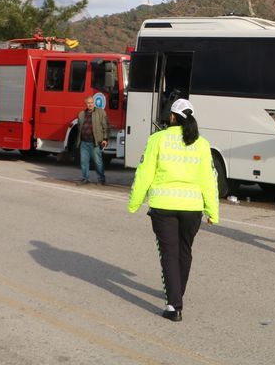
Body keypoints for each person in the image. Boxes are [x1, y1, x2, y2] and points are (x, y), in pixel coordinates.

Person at [128, 98, 219, 322]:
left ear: (172, 117)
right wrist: (212, 211)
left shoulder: (157, 139)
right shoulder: (202, 144)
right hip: (192, 208)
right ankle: (178, 291)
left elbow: (144, 173)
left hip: (164, 207)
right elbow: (210, 180)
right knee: (184, 251)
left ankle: (173, 305)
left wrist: (134, 202)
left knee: (169, 254)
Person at [76, 96, 110, 185]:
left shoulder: (100, 112)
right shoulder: (81, 114)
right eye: (88, 103)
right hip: (84, 142)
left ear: (94, 102)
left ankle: (101, 179)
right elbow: (79, 128)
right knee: (84, 161)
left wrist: (105, 139)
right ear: (85, 103)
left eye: (91, 102)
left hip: (95, 142)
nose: (90, 104)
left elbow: (105, 126)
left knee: (98, 162)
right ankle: (85, 179)